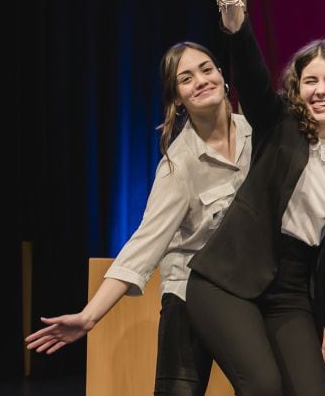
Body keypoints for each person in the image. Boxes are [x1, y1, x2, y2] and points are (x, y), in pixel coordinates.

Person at [184, 0, 325, 396]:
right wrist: (232, 0)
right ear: (296, 87)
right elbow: (247, 67)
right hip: (226, 280)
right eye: (310, 81)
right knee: (263, 386)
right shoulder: (278, 124)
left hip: (291, 294)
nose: (321, 89)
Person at [25, 41, 251, 395]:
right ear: (177, 97)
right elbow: (144, 245)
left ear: (223, 77)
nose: (201, 81)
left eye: (207, 69)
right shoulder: (178, 166)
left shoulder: (258, 133)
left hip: (247, 289)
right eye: (186, 78)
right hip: (191, 289)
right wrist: (89, 316)